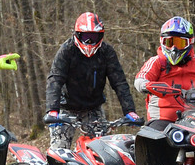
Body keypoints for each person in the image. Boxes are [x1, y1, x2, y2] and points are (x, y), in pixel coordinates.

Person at [44, 12, 140, 149]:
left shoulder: (106, 52)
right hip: (66, 108)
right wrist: (52, 110)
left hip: (93, 109)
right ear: (77, 35)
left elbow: (119, 83)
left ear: (100, 36)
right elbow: (55, 79)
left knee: (103, 149)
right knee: (59, 150)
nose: (89, 42)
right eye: (86, 37)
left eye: (93, 37)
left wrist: (129, 110)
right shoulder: (67, 50)